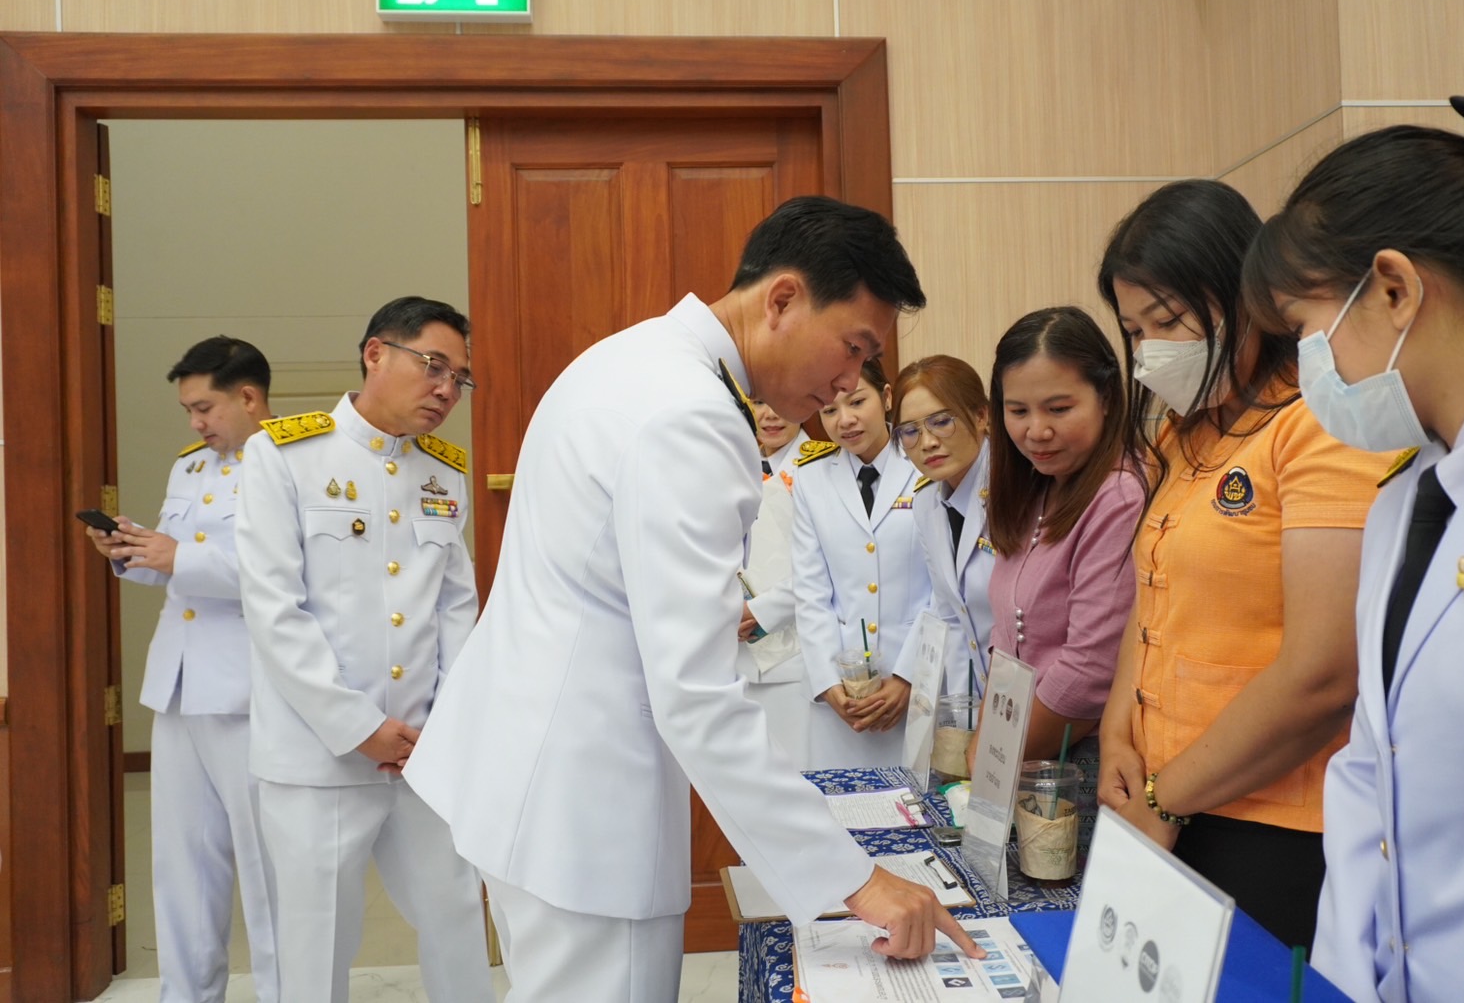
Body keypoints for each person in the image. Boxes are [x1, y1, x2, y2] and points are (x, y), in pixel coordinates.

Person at [403, 196, 983, 1003]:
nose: (850, 380)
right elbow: (695, 691)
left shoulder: (630, 357)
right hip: (585, 806)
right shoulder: (691, 416)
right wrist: (854, 880)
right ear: (782, 299)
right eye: (852, 347)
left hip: (532, 771)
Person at [1241, 96, 1464, 1002]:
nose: (1306, 365)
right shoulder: (1407, 496)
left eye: (1303, 328)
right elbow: (1369, 767)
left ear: (1393, 288)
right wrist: (1346, 978)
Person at [1094, 180, 1393, 950]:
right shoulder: (1181, 436)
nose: (1150, 351)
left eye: (1166, 321)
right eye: (1133, 331)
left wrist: (1166, 798)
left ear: (1244, 297)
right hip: (1165, 800)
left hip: (1272, 823)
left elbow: (1323, 672)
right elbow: (1151, 602)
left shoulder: (1316, 424)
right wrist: (1116, 736)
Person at [235, 297, 489, 1003]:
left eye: (459, 378)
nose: (446, 389)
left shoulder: (444, 472)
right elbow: (274, 608)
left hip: (423, 753)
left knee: (456, 919)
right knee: (316, 942)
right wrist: (358, 727)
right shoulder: (283, 455)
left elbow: (455, 606)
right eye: (433, 365)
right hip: (319, 755)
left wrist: (445, 724)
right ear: (376, 353)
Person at [85, 336, 279, 1002]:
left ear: (248, 397)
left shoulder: (296, 463)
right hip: (179, 686)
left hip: (250, 691)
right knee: (183, 866)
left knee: (268, 871)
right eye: (187, 411)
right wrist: (131, 551)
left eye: (204, 408)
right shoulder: (191, 468)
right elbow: (172, 569)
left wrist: (179, 556)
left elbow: (286, 576)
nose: (195, 423)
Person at [979, 309, 1144, 854]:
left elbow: (1091, 669)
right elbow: (1007, 635)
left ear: (1107, 398)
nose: (1036, 431)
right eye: (1017, 411)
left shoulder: (1118, 494)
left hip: (1076, 765)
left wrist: (1001, 755)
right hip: (1024, 751)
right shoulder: (1040, 486)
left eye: (1059, 408)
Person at [791, 358, 932, 769]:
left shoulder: (925, 466)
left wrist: (908, 676)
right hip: (841, 700)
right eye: (829, 410)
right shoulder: (811, 478)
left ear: (887, 397)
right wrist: (828, 683)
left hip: (915, 688)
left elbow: (943, 590)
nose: (845, 421)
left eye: (856, 402)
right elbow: (811, 592)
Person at [888, 354, 996, 701]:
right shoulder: (927, 503)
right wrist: (961, 715)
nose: (927, 442)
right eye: (910, 431)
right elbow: (951, 617)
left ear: (981, 416)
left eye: (941, 422)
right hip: (982, 699)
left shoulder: (1015, 487)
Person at [734, 399, 813, 768]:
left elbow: (831, 565)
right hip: (738, 655)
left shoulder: (823, 467)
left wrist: (763, 611)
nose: (769, 415)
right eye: (758, 403)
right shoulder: (734, 464)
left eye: (780, 402)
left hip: (800, 655)